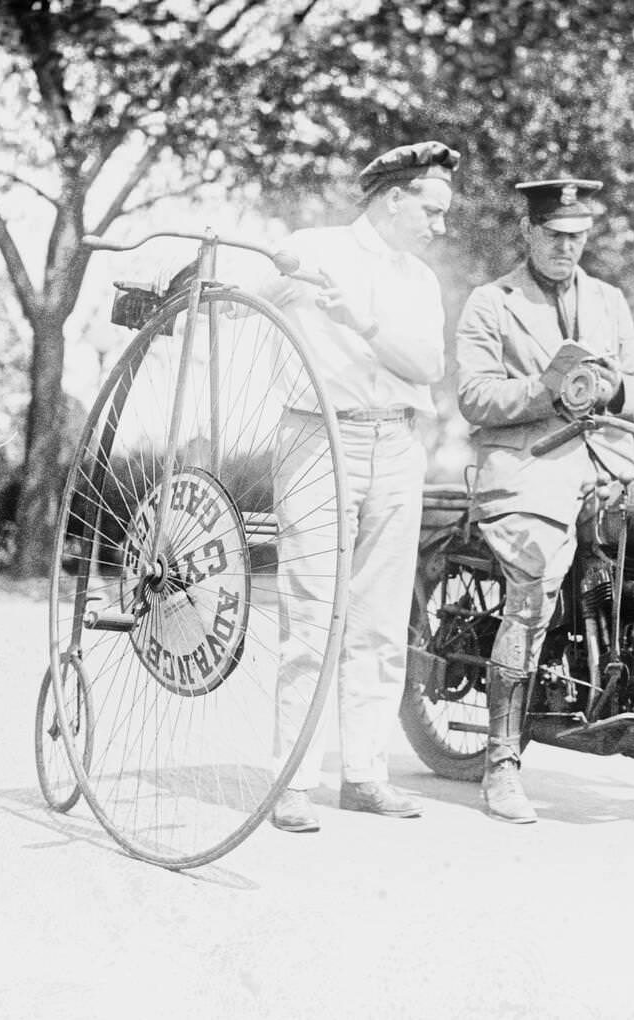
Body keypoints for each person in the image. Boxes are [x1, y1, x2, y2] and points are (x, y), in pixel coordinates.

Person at [453, 177, 634, 824]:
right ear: (527, 232)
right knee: (538, 578)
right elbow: (473, 397)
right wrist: (548, 389)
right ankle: (501, 760)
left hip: (610, 460)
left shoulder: (609, 301)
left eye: (577, 239)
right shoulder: (490, 303)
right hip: (527, 466)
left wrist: (610, 394)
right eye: (553, 236)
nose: (565, 249)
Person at [266, 140, 458, 832]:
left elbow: (427, 365)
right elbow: (250, 302)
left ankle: (365, 774)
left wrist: (360, 321)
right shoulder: (314, 248)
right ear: (394, 197)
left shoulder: (419, 282)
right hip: (319, 437)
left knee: (380, 621)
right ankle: (291, 780)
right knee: (313, 616)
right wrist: (283, 284)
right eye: (430, 211)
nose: (439, 227)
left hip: (396, 443)